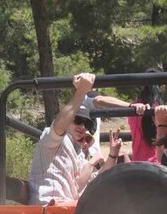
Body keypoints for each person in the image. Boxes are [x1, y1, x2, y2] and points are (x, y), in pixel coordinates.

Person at [28, 73, 122, 205]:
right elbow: (59, 124)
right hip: (49, 207)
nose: (83, 127)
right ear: (68, 120)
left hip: (66, 208)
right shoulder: (53, 138)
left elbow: (95, 180)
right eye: (78, 120)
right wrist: (81, 92)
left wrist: (112, 154)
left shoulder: (76, 152)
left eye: (87, 124)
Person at [126, 69, 163, 162]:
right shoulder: (160, 109)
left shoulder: (134, 108)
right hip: (158, 164)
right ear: (161, 86)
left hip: (138, 162)